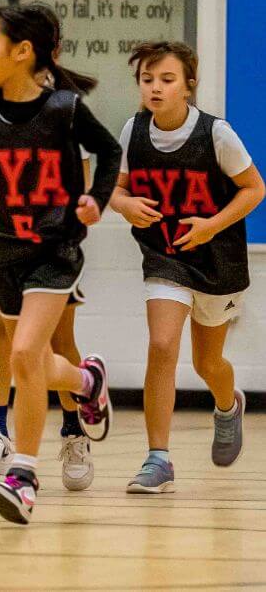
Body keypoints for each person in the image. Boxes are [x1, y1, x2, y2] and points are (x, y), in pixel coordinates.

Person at [0, 3, 119, 524]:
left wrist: (96, 200)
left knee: (24, 352)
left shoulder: (63, 109)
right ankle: (88, 384)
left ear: (22, 52)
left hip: (53, 250)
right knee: (37, 365)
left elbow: (109, 153)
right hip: (3, 253)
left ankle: (22, 476)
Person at [111, 41, 264, 494]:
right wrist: (123, 204)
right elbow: (113, 189)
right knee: (162, 345)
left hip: (216, 260)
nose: (155, 88)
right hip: (165, 255)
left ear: (188, 85)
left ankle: (227, 404)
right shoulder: (133, 132)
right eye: (147, 80)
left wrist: (212, 225)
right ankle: (158, 458)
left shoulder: (216, 134)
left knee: (207, 362)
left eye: (167, 79)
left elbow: (254, 189)